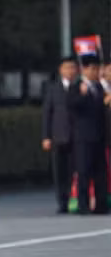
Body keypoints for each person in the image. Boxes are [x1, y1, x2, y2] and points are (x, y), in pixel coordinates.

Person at [67, 53, 109, 215]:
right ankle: (83, 205)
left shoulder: (99, 87)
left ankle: (101, 204)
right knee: (83, 172)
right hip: (83, 138)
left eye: (97, 69)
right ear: (84, 69)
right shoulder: (76, 86)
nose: (95, 72)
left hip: (99, 136)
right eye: (92, 69)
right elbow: (72, 106)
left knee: (100, 172)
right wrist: (83, 95)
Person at [42, 55, 78, 214]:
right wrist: (46, 136)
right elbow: (47, 114)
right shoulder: (53, 89)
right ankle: (62, 202)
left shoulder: (80, 87)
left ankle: (73, 200)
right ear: (61, 70)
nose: (70, 71)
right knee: (59, 172)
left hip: (76, 137)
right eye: (67, 67)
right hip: (58, 136)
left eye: (73, 67)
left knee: (73, 171)